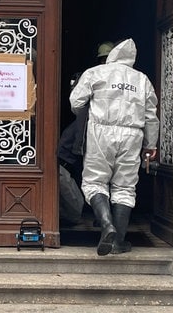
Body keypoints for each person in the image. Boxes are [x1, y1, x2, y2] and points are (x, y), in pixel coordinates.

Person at [69, 38, 159, 256]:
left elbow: (75, 102)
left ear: (111, 56)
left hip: (101, 131)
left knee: (94, 181)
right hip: (132, 135)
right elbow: (151, 116)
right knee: (125, 187)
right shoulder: (142, 79)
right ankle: (118, 241)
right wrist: (151, 145)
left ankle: (106, 224)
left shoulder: (95, 73)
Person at [58, 41, 115, 227]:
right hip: (96, 138)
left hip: (91, 138)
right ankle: (105, 220)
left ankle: (103, 220)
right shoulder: (125, 78)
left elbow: (76, 104)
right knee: (109, 182)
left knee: (97, 180)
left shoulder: (90, 76)